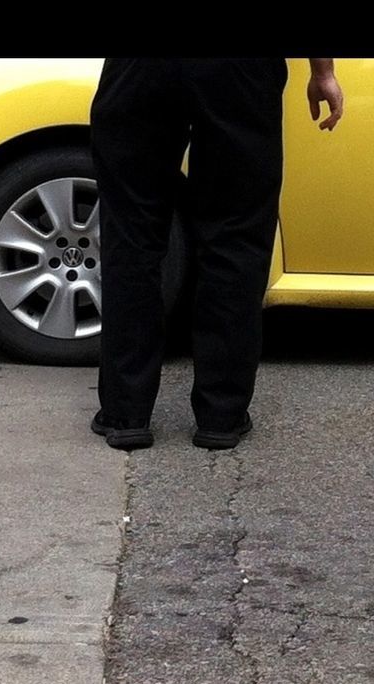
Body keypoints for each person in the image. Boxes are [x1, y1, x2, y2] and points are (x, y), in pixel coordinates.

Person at [88, 58, 344, 451]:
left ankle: (126, 413)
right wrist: (323, 72)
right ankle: (220, 414)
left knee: (132, 233)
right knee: (236, 235)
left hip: (142, 69)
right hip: (239, 70)